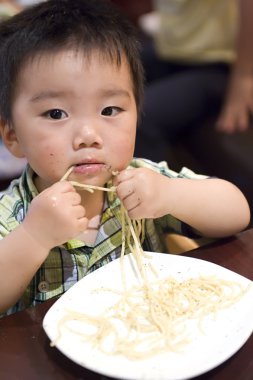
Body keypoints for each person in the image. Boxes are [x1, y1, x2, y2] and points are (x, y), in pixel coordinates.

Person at [0, 0, 250, 317]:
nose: (89, 134)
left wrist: (171, 195)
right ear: (13, 137)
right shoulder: (14, 214)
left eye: (109, 110)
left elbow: (238, 213)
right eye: (56, 113)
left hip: (142, 344)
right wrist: (34, 237)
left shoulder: (141, 182)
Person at [134, 0, 253, 162]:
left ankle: (148, 185)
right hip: (170, 52)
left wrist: (245, 77)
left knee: (139, 119)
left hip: (219, 64)